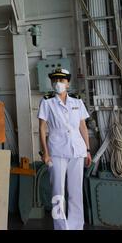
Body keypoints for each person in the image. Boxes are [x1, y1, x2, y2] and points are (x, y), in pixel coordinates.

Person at [37, 68, 91, 230]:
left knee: (76, 192)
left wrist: (87, 150)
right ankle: (60, 226)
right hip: (56, 151)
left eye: (61, 80)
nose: (58, 83)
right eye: (55, 80)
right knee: (57, 193)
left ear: (68, 83)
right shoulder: (47, 101)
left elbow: (82, 127)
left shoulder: (77, 101)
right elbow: (42, 128)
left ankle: (76, 226)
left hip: (77, 150)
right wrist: (45, 152)